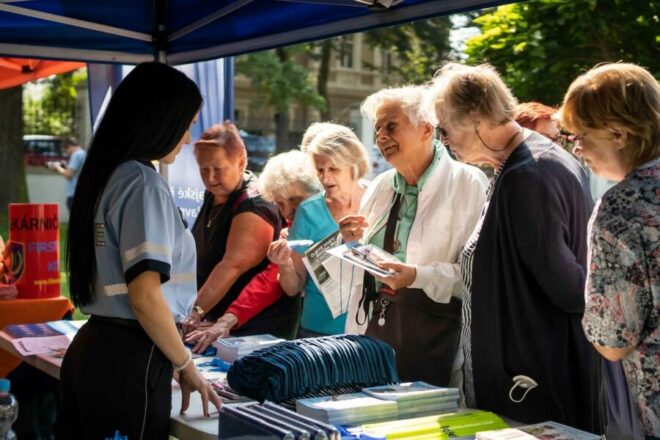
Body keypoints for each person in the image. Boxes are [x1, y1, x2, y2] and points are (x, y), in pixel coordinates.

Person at [428, 63, 603, 431]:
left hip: (533, 388)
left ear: (475, 116)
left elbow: (569, 288)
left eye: (444, 128)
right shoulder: (524, 163)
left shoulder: (528, 175)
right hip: (529, 381)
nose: (443, 140)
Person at [57, 62, 220, 440]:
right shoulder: (142, 182)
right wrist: (186, 364)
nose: (187, 138)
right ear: (160, 120)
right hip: (132, 359)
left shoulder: (108, 173)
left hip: (96, 348)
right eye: (186, 124)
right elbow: (145, 296)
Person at [337, 86, 487, 387]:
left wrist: (417, 276)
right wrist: (350, 243)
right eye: (378, 128)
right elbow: (358, 272)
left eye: (391, 126)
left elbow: (480, 277)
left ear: (426, 129)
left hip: (436, 341)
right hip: (376, 334)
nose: (381, 137)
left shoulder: (469, 184)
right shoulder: (380, 186)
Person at [559, 62, 659, 438]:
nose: (577, 148)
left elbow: (612, 339)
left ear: (618, 133)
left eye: (580, 135)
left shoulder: (622, 205)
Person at [185, 150, 322, 351]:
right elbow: (269, 279)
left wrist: (224, 319)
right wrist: (226, 320)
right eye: (280, 203)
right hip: (310, 326)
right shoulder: (290, 230)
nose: (287, 211)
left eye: (295, 200)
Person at [268, 123, 369, 337]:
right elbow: (293, 288)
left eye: (333, 169)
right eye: (320, 170)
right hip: (317, 331)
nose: (325, 178)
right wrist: (284, 263)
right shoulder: (308, 211)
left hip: (368, 328)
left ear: (354, 164)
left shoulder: (377, 198)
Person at [183, 122, 281, 332]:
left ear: (241, 162)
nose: (210, 178)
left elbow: (231, 266)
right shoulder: (215, 193)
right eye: (203, 169)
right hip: (213, 322)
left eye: (218, 169)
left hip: (247, 328)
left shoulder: (254, 205)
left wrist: (194, 313)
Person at [48, 137, 86, 212]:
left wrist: (57, 167)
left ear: (69, 146)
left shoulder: (76, 155)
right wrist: (66, 167)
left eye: (66, 150)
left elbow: (69, 175)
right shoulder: (84, 153)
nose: (67, 153)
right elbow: (76, 172)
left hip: (73, 194)